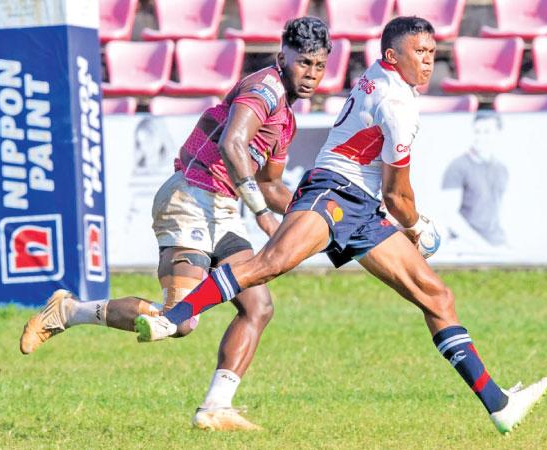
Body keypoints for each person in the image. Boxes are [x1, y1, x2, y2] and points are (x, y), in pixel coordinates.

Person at [136, 16, 547, 434]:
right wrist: (418, 226)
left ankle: (499, 406)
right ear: (393, 56)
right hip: (333, 193)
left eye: (431, 53)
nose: (428, 62)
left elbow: (382, 188)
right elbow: (397, 196)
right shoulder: (398, 107)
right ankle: (174, 316)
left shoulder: (379, 76)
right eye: (419, 53)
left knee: (437, 296)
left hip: (361, 208)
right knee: (270, 263)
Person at [18, 17, 332, 431]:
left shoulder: (286, 117)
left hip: (222, 209)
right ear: (282, 57)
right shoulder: (265, 88)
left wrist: (315, 215)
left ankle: (216, 407)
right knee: (179, 321)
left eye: (319, 65)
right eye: (303, 63)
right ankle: (68, 311)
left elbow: (270, 182)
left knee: (258, 306)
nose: (310, 74)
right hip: (190, 196)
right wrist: (260, 212)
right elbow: (232, 143)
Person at [441, 113, 508, 247]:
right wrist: (483, 247)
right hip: (465, 243)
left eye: (487, 132)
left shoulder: (501, 169)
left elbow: (496, 211)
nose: (481, 137)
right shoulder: (457, 166)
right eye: (477, 132)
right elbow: (450, 217)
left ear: (498, 133)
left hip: (496, 242)